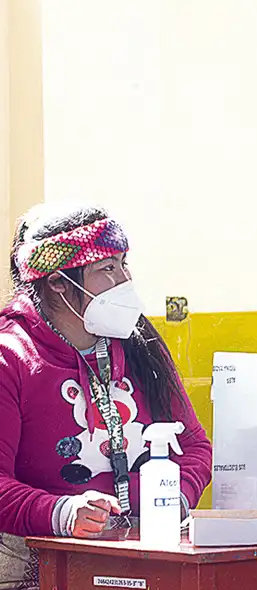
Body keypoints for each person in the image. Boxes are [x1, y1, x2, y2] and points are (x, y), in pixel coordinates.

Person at [0, 204, 212, 588]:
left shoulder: (140, 343)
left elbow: (196, 447)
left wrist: (172, 497)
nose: (125, 279)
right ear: (59, 282)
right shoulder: (10, 357)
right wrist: (60, 513)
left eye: (123, 263)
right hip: (41, 571)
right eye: (107, 268)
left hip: (144, 561)